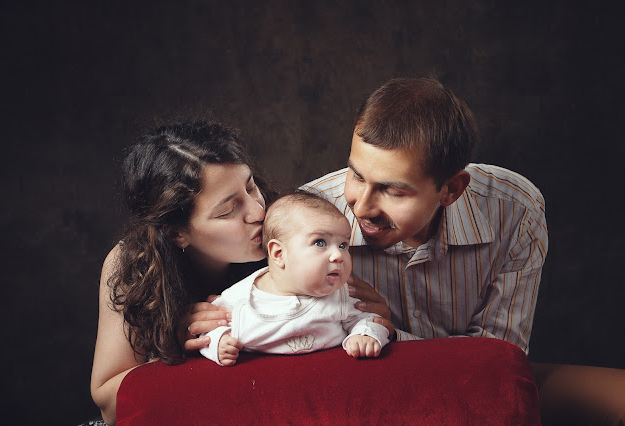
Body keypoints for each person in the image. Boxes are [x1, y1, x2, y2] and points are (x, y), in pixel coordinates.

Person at [301, 76, 548, 354]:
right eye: (357, 176)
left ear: (451, 190)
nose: (361, 209)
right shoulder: (304, 217)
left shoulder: (515, 213)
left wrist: (390, 338)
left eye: (393, 191)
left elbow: (498, 359)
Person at [90, 119, 276, 425]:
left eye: (250, 186)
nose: (259, 211)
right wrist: (174, 350)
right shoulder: (132, 264)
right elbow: (109, 404)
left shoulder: (292, 224)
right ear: (176, 234)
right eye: (227, 211)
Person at [199, 192, 390, 366]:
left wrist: (365, 335)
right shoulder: (239, 301)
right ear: (279, 253)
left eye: (343, 245)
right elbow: (207, 331)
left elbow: (370, 320)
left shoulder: (340, 296)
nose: (338, 255)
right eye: (320, 242)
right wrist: (219, 342)